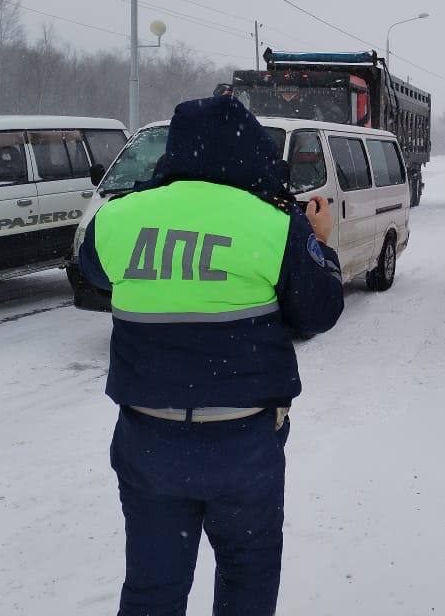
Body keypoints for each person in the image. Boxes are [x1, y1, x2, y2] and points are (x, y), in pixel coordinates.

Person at [79, 95, 344, 616]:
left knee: (152, 588)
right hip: (241, 443)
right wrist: (320, 244)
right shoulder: (273, 223)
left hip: (147, 440)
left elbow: (93, 273)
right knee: (247, 577)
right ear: (250, 152)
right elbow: (318, 311)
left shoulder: (118, 217)